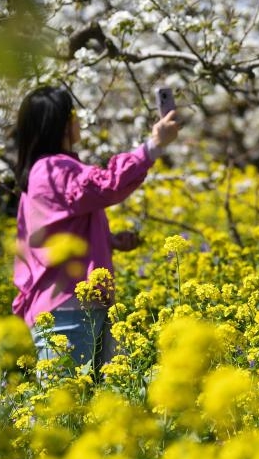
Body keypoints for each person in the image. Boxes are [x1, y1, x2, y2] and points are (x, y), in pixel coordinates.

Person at [11, 86, 180, 372]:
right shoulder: (54, 169)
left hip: (76, 305)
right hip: (68, 307)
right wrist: (154, 145)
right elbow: (107, 184)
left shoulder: (45, 171)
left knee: (87, 407)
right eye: (73, 114)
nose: (78, 120)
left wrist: (108, 241)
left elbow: (54, 234)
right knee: (63, 407)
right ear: (61, 122)